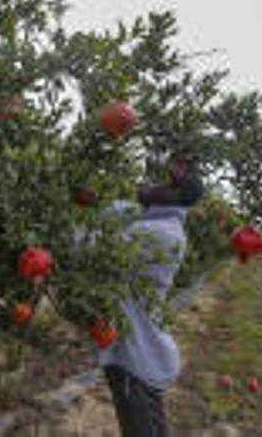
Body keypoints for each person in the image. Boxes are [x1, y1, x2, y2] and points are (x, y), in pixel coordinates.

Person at [97, 159, 204, 437]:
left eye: (167, 185)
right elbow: (114, 211)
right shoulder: (149, 219)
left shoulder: (162, 234)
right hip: (141, 353)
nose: (153, 184)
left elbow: (90, 247)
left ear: (177, 199)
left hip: (136, 358)